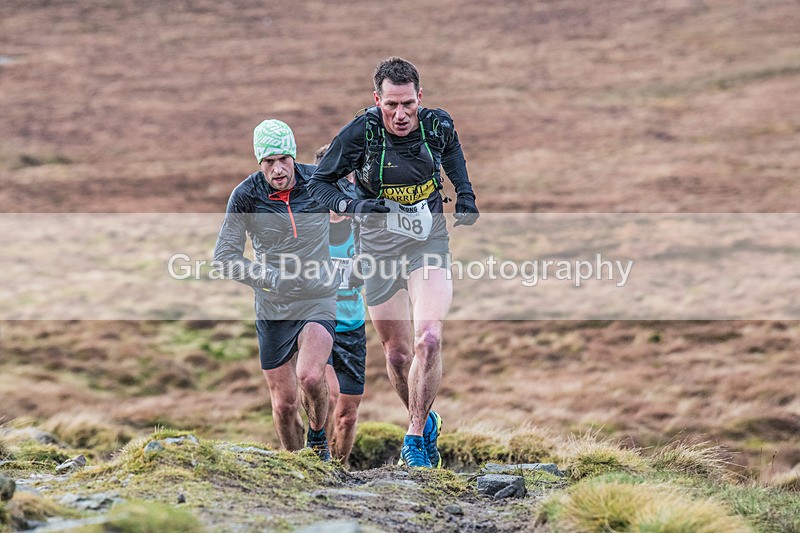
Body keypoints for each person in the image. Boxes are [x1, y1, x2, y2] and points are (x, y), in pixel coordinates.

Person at [308, 57, 480, 468]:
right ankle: (425, 418)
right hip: (379, 251)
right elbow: (319, 184)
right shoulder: (359, 132)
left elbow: (452, 152)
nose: (400, 115)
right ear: (377, 100)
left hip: (428, 243)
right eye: (391, 106)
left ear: (419, 97)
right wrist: (357, 205)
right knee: (400, 356)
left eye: (408, 104)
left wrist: (467, 194)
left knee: (430, 339)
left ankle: (416, 438)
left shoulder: (436, 124)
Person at [213, 119, 338, 460]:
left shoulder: (320, 181)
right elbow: (224, 257)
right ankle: (296, 467)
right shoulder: (246, 195)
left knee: (311, 377)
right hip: (273, 307)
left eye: (284, 159)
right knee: (283, 405)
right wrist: (268, 277)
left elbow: (360, 210)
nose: (278, 169)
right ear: (259, 163)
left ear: (294, 156)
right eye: (269, 162)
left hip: (317, 297)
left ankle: (318, 446)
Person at [314, 144, 368, 466]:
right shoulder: (310, 226)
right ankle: (315, 457)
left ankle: (339, 470)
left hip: (353, 326)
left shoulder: (363, 226)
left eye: (348, 178)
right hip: (319, 324)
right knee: (329, 396)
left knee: (347, 415)